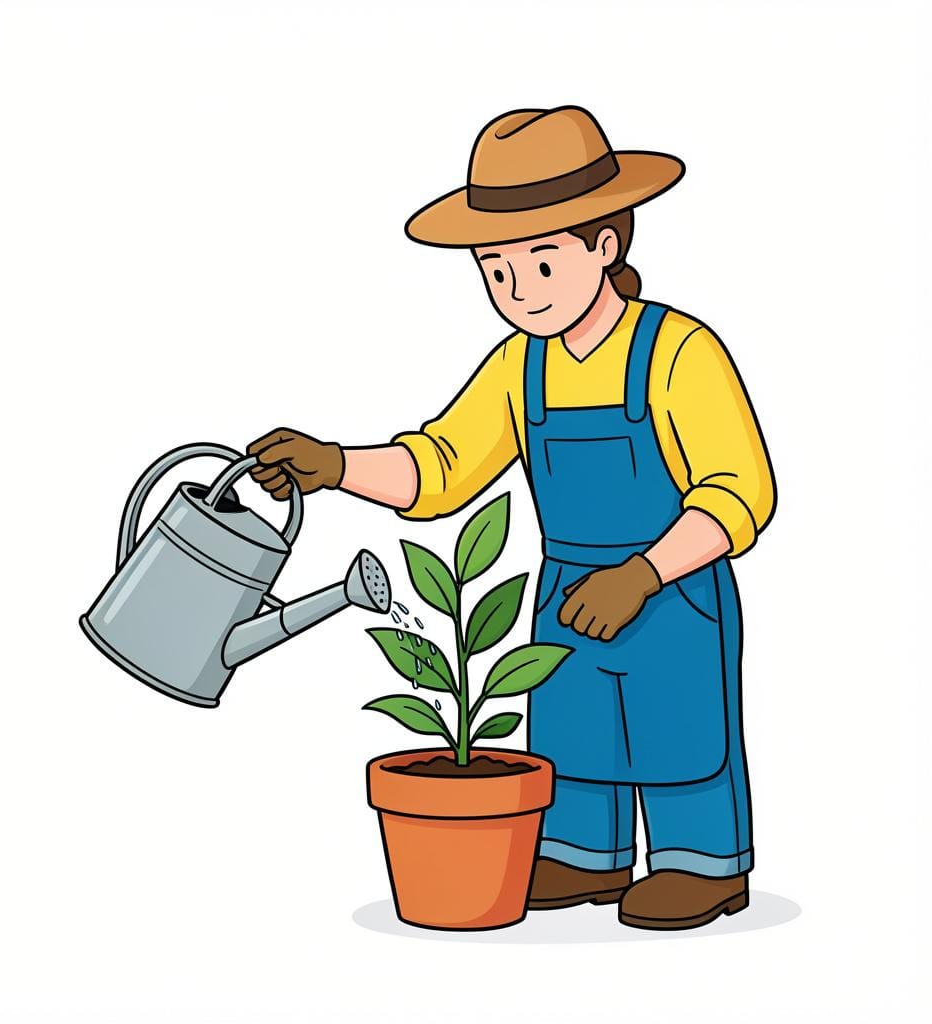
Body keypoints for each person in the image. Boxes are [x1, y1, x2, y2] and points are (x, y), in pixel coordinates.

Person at [247, 106, 776, 931]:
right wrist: (337, 465)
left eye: (540, 263)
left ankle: (701, 863)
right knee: (572, 726)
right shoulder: (515, 369)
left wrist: (641, 576)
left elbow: (740, 493)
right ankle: (582, 856)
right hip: (567, 584)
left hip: (674, 589)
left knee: (682, 735)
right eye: (497, 271)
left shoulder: (679, 352)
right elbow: (442, 465)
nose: (518, 291)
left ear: (606, 245)